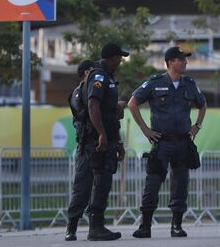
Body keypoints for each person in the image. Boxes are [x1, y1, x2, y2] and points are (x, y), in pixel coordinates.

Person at [128, 46, 207, 239]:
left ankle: (177, 226)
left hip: (182, 143)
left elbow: (202, 104)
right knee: (153, 183)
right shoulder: (155, 83)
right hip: (162, 143)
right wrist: (145, 129)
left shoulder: (189, 83)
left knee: (181, 184)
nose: (185, 62)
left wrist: (197, 125)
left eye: (185, 59)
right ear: (171, 62)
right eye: (181, 59)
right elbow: (132, 103)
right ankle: (145, 226)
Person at [82, 43, 130, 241]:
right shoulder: (99, 76)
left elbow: (110, 114)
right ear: (112, 58)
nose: (120, 61)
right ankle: (96, 227)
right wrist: (101, 134)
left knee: (104, 181)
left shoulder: (108, 77)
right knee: (101, 182)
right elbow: (93, 105)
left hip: (109, 138)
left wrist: (117, 142)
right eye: (119, 57)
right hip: (98, 139)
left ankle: (98, 224)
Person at [65, 60, 95, 241]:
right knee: (81, 188)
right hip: (86, 146)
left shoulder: (94, 91)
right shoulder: (78, 92)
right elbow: (82, 114)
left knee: (99, 188)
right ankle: (72, 226)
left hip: (98, 145)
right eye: (93, 70)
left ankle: (96, 225)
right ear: (86, 72)